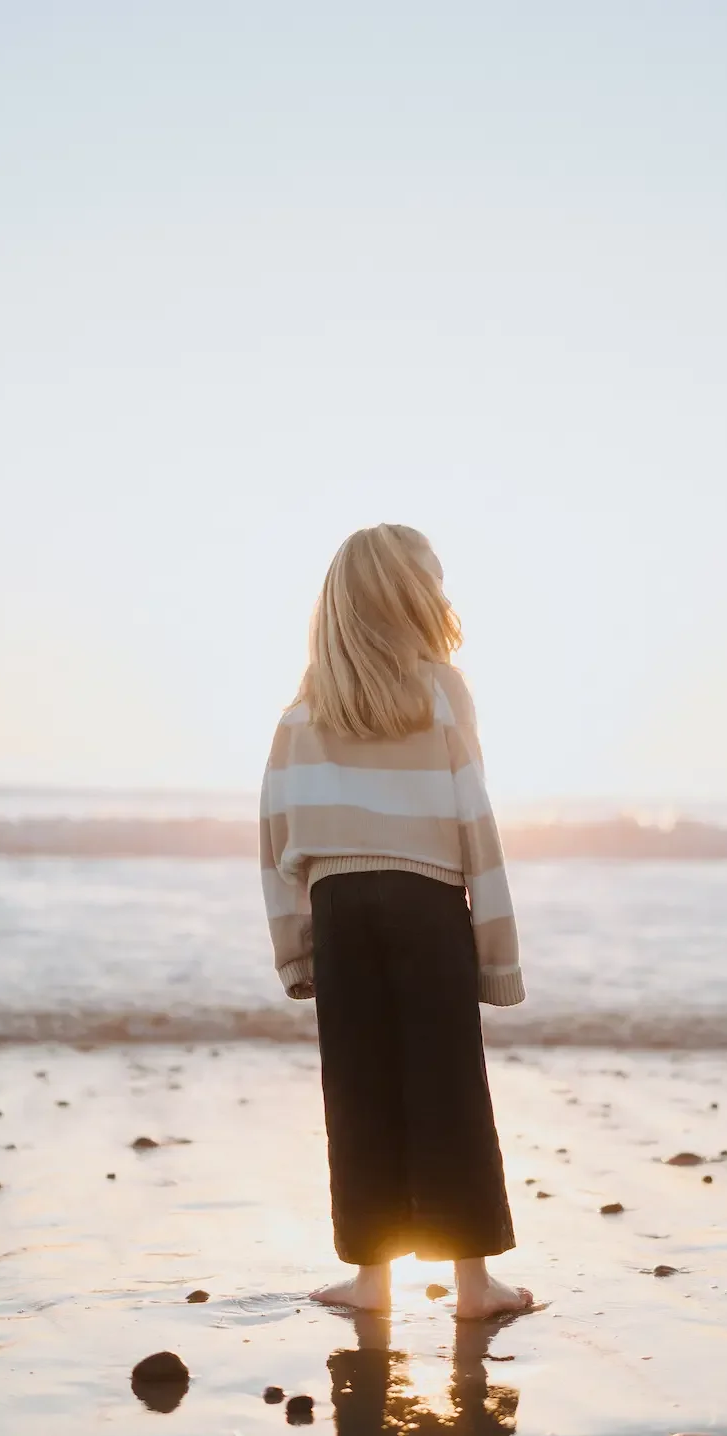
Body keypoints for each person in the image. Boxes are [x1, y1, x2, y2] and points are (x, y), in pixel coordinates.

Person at [260, 523, 532, 1319]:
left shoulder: (301, 711)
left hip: (340, 912)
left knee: (357, 1090)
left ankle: (372, 1281)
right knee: (449, 1084)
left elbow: (277, 844)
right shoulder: (444, 691)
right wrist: (497, 953)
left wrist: (294, 950)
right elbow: (474, 820)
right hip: (428, 905)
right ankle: (475, 1286)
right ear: (415, 597)